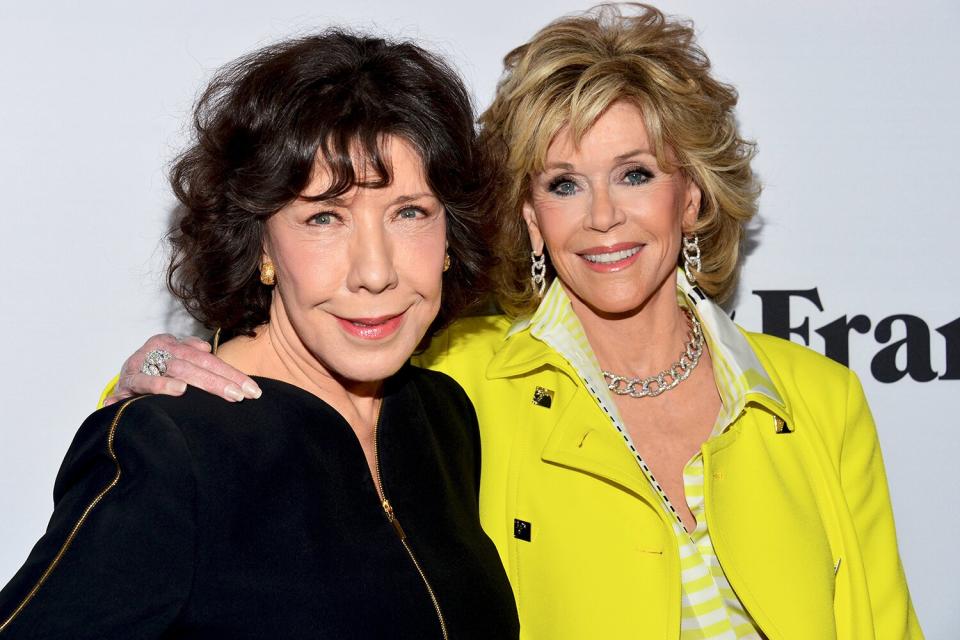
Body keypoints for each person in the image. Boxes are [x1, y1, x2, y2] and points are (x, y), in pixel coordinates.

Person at [100, 4, 923, 639]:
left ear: (694, 195)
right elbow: (263, 399)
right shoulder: (460, 381)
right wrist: (141, 380)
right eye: (562, 184)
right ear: (529, 217)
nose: (603, 218)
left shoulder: (820, 398)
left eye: (634, 174)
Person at [0, 30, 519, 639]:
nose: (376, 272)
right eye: (324, 218)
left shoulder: (440, 417)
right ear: (262, 246)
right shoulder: (171, 449)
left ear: (450, 237)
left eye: (409, 213)